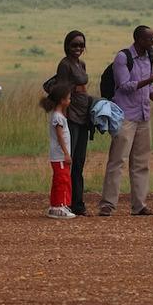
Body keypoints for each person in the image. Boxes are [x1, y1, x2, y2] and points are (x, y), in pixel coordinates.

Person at [98, 25, 153, 217]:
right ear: (138, 40)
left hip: (143, 116)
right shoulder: (123, 58)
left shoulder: (149, 56)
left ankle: (139, 205)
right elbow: (125, 86)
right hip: (125, 116)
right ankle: (108, 204)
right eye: (149, 39)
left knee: (141, 163)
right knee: (117, 161)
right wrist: (150, 79)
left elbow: (149, 88)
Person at [53, 30, 92, 215]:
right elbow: (62, 92)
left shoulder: (80, 63)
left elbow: (82, 87)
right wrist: (63, 117)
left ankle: (78, 202)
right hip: (71, 117)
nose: (78, 48)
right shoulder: (64, 65)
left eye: (81, 45)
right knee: (69, 161)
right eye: (74, 45)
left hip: (83, 116)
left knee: (79, 162)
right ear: (67, 46)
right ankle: (65, 202)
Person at [40, 83, 76, 219]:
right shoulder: (58, 117)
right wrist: (66, 153)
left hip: (60, 156)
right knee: (62, 180)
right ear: (62, 100)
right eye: (68, 98)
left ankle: (56, 205)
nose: (70, 100)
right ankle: (60, 205)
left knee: (59, 180)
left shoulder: (59, 116)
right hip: (60, 156)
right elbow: (60, 136)